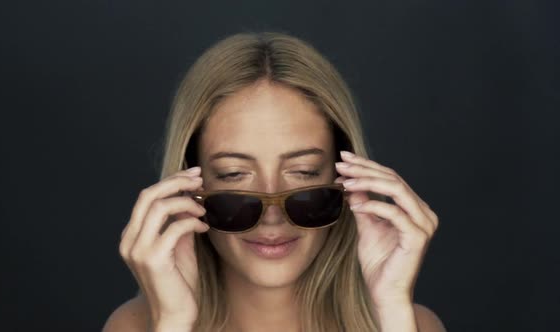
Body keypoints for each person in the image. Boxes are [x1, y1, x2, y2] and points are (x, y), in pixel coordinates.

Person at [102, 31, 446, 332]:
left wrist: (391, 312)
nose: (272, 211)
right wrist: (173, 323)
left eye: (305, 172)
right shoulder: (135, 327)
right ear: (189, 187)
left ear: (347, 181)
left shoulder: (411, 324)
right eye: (233, 175)